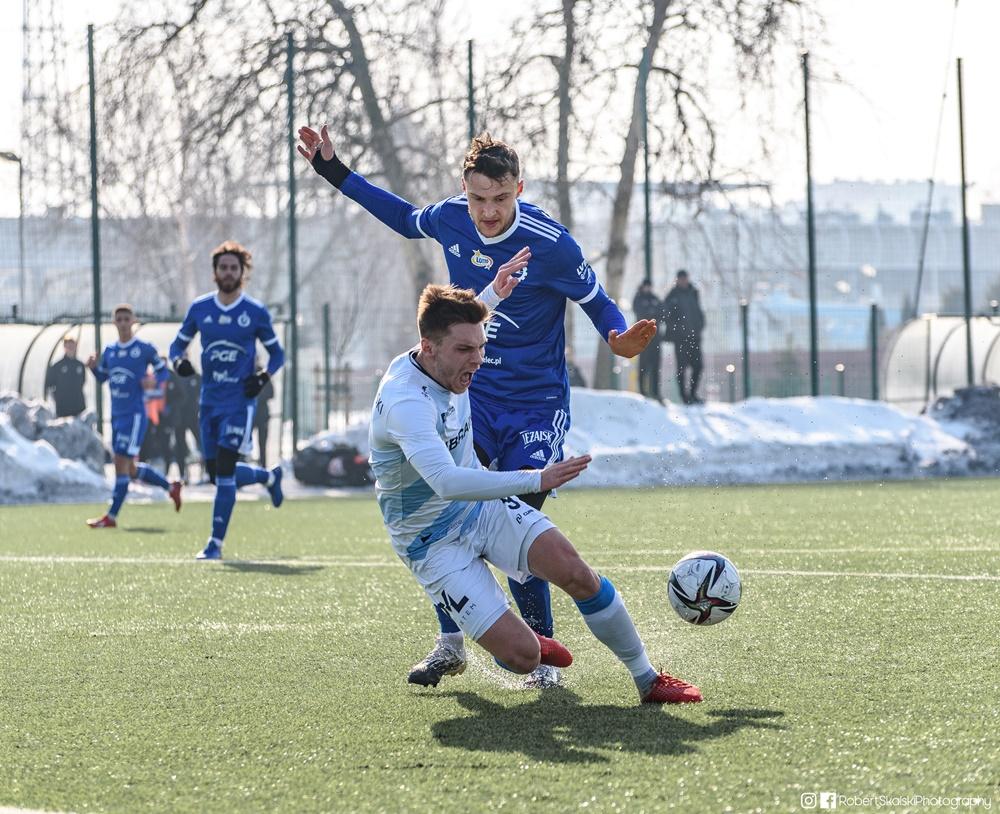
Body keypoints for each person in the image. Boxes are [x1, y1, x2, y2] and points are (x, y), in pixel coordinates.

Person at [298, 125, 656, 689]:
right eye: (477, 199)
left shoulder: (551, 243)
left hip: (535, 402)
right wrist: (334, 170)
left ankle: (541, 662)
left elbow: (598, 301)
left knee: (516, 510)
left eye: (500, 198)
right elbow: (403, 217)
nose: (487, 212)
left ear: (520, 189)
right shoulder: (451, 218)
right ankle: (452, 643)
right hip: (472, 393)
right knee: (444, 506)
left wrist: (617, 337)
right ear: (464, 191)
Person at [370, 282, 702, 704]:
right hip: (431, 542)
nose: (477, 360)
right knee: (524, 657)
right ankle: (513, 637)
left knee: (577, 573)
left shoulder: (446, 354)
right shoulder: (405, 402)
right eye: (465, 350)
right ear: (428, 349)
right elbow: (447, 482)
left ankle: (648, 679)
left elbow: (462, 327)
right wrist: (536, 479)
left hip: (480, 511)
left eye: (481, 347)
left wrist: (492, 294)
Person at [168, 240, 286, 560]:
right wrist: (179, 363)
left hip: (239, 403)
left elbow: (278, 354)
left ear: (242, 272)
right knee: (216, 472)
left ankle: (215, 544)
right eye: (224, 267)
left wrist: (262, 377)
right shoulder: (200, 309)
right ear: (215, 272)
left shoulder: (255, 312)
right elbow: (176, 347)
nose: (229, 272)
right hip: (209, 402)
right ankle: (268, 477)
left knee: (224, 471)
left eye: (234, 268)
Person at [85, 305, 182, 528]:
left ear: (133, 321)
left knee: (120, 461)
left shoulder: (144, 349)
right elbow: (104, 378)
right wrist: (93, 368)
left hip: (135, 415)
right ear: (114, 322)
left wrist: (153, 381)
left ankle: (111, 517)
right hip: (116, 416)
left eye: (126, 319)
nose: (123, 323)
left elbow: (163, 371)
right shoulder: (110, 351)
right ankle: (171, 487)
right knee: (131, 469)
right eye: (118, 319)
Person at [663, 270, 706, 405]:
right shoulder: (672, 295)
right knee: (682, 368)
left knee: (698, 366)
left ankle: (693, 394)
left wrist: (700, 325)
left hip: (694, 337)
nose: (683, 281)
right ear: (677, 280)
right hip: (680, 339)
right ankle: (684, 397)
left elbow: (698, 311)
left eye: (685, 278)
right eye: (681, 279)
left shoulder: (694, 292)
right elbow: (666, 315)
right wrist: (676, 329)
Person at [632, 281, 663, 402]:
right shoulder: (638, 298)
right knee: (643, 365)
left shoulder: (655, 298)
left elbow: (662, 312)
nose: (648, 289)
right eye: (646, 286)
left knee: (656, 366)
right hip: (643, 337)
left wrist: (652, 312)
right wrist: (651, 312)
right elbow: (641, 313)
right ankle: (642, 391)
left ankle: (655, 392)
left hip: (655, 338)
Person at [45, 335, 87, 418]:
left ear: (76, 346)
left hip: (79, 407)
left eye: (72, 345)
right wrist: (57, 398)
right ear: (64, 347)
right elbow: (49, 384)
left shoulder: (80, 365)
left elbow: (83, 381)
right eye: (68, 345)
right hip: (63, 408)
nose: (70, 347)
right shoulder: (57, 365)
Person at [254, 367, 274, 469]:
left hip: (262, 414)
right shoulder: (245, 372)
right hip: (250, 415)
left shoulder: (263, 375)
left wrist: (258, 396)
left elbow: (271, 393)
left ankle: (263, 465)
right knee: (243, 441)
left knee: (262, 443)